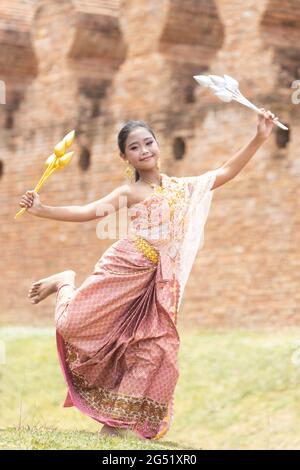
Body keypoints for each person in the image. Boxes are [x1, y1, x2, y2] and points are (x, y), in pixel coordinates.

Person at [19, 109, 277, 440]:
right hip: (125, 266)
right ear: (124, 156)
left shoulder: (183, 188)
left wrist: (259, 137)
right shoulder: (130, 192)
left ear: (158, 144)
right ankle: (65, 281)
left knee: (159, 352)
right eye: (135, 147)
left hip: (160, 282)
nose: (145, 151)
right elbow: (87, 212)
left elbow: (225, 171)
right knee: (70, 324)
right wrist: (42, 210)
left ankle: (115, 425)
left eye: (148, 142)